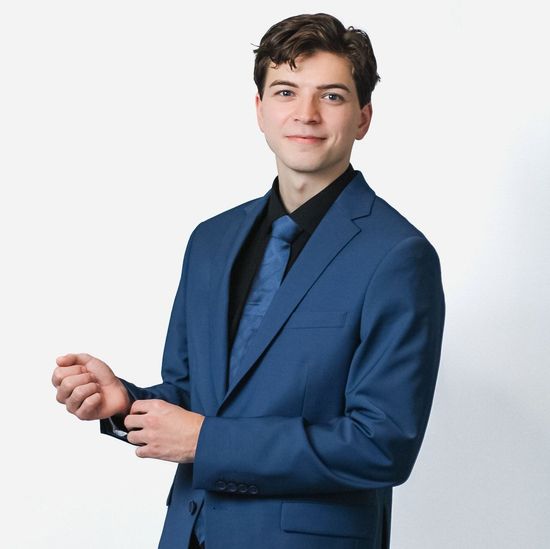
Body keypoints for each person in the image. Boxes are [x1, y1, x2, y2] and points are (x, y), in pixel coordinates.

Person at [52, 12, 445, 549]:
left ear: (363, 117)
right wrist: (124, 404)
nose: (305, 114)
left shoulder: (398, 255)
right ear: (260, 109)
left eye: (331, 96)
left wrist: (207, 442)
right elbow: (198, 395)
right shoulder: (210, 240)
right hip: (191, 534)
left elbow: (380, 446)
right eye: (286, 91)